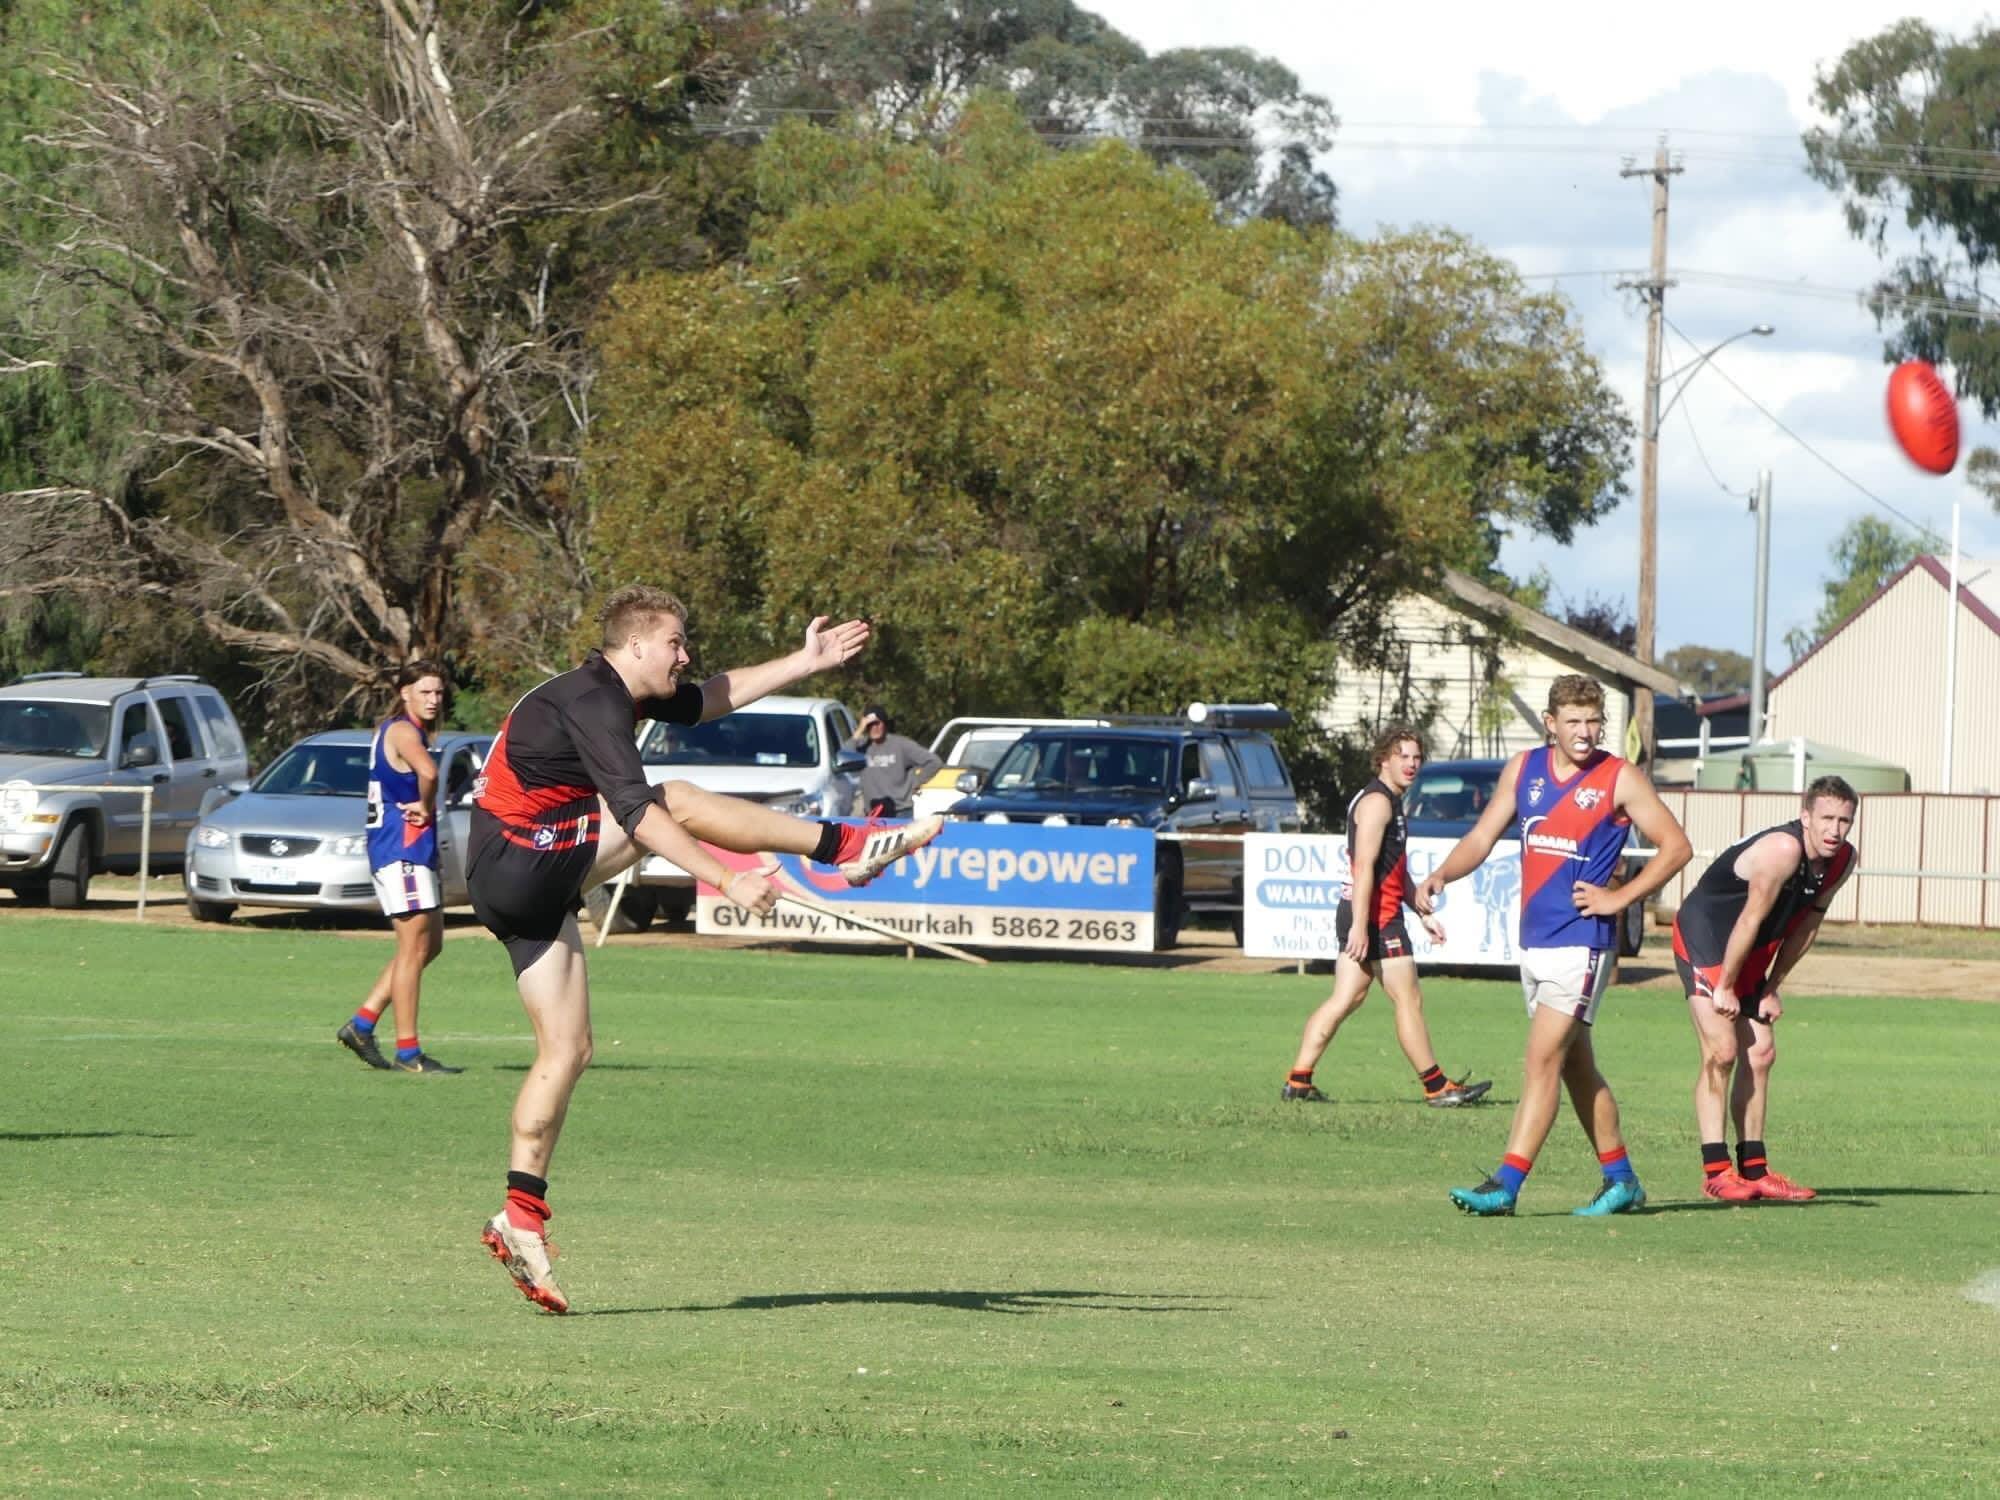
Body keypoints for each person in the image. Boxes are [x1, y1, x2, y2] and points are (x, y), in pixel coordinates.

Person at [469, 586, 944, 1313]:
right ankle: (846, 848)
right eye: (675, 644)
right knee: (679, 798)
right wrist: (728, 876)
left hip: (518, 875)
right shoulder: (596, 701)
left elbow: (706, 701)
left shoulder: (612, 689)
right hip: (518, 857)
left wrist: (803, 661)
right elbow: (640, 815)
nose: (685, 656)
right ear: (635, 647)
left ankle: (521, 1215)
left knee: (567, 1052)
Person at [1417, 675, 1692, 1217]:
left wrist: (1621, 899)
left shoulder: (1619, 777)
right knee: (1575, 1068)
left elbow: (1676, 846)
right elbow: (1482, 835)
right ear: (1551, 723)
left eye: (1593, 721)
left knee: (1540, 1061)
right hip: (1535, 940)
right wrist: (1441, 876)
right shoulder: (1524, 769)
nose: (1585, 732)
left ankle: (1505, 1185)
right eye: (1574, 722)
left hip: (1580, 942)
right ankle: (1622, 1180)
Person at [1281, 723, 1491, 1108]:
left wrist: (1418, 906)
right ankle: (1436, 1086)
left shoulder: (1390, 801)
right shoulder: (1377, 803)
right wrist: (1362, 927)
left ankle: (1299, 1080)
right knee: (1408, 997)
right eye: (1402, 757)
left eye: (1416, 758)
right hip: (1375, 918)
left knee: (1345, 998)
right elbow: (1363, 867)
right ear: (1383, 760)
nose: (1411, 764)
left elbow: (1388, 866)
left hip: (1373, 913)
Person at [1670, 775, 1858, 1203]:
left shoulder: (1842, 860)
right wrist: (1727, 988)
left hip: (1748, 948)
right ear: (1805, 816)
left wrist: (1771, 986)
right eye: (1826, 818)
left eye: (1844, 820)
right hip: (1709, 939)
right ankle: (1717, 1171)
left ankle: (1755, 1170)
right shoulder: (1782, 850)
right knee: (1722, 1050)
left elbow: (1807, 925)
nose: (1835, 829)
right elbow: (1750, 919)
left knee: (1761, 1053)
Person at [336, 661, 460, 1074]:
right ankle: (409, 1052)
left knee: (431, 945)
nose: (433, 699)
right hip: (400, 851)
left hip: (413, 851)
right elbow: (428, 771)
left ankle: (363, 1022)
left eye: (438, 693)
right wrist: (424, 806)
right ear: (404, 692)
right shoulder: (403, 730)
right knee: (412, 950)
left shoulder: (403, 730)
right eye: (424, 692)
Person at [849, 705, 942, 817]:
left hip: (900, 812)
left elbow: (934, 762)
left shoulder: (901, 745)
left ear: (885, 724)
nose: (874, 728)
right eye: (870, 725)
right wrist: (859, 730)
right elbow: (841, 757)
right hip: (873, 814)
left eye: (877, 723)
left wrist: (915, 782)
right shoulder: (860, 748)